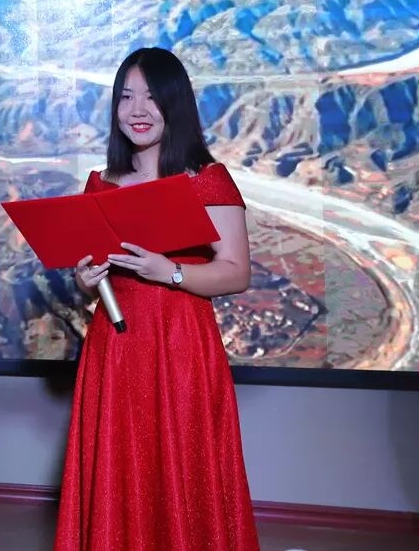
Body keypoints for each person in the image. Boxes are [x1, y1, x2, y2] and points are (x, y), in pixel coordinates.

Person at [54, 48, 259, 551]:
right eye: (126, 97)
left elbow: (236, 272)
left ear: (175, 103)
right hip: (115, 345)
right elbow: (90, 276)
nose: (137, 110)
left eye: (150, 97)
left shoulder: (205, 178)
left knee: (184, 469)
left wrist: (170, 271)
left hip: (180, 344)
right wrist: (86, 279)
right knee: (118, 467)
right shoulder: (100, 183)